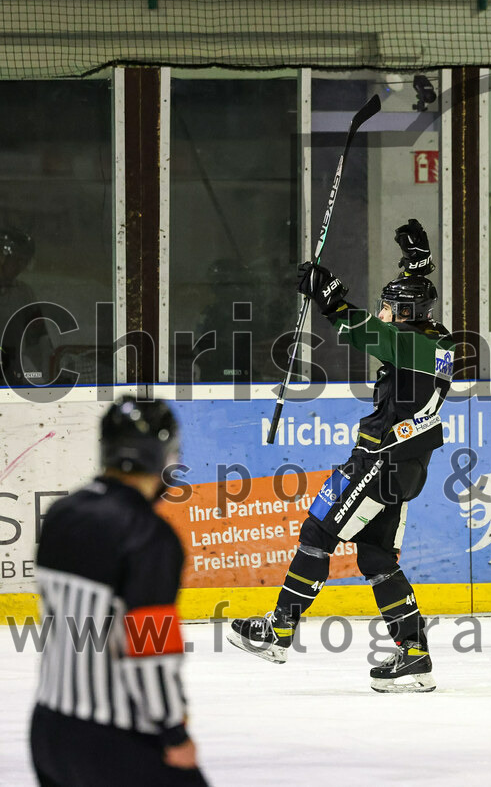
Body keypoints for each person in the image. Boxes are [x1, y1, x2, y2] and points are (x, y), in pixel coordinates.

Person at [228, 220, 455, 694]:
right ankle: (414, 655)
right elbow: (404, 319)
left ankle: (280, 629)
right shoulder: (437, 339)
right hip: (405, 466)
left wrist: (329, 296)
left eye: (393, 307)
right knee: (375, 557)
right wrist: (418, 261)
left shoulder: (412, 343)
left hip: (379, 458)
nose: (385, 312)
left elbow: (366, 332)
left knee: (317, 531)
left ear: (408, 312)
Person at [30, 396, 208, 786]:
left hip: (48, 732)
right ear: (163, 456)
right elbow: (151, 647)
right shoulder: (149, 535)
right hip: (113, 740)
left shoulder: (62, 514)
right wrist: (174, 734)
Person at [0, 226, 54, 386]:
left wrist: (47, 377)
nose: (20, 266)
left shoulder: (24, 293)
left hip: (10, 377)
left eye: (24, 261)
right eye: (16, 259)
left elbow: (38, 339)